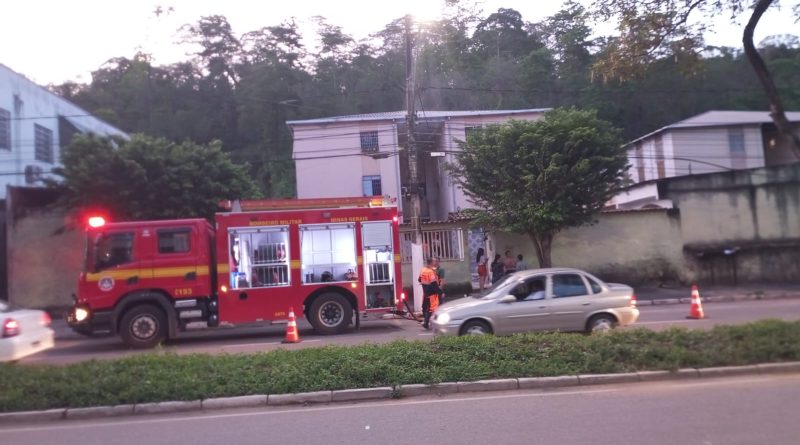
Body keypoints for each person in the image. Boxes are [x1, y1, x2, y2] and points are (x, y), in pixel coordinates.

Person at [418, 258, 441, 330]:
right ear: (431, 263)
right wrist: (440, 292)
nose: (435, 263)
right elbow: (434, 283)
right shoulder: (430, 272)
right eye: (434, 262)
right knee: (432, 309)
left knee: (426, 307)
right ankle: (426, 323)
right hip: (432, 293)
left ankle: (427, 322)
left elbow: (419, 279)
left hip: (426, 292)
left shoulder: (423, 270)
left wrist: (425, 283)